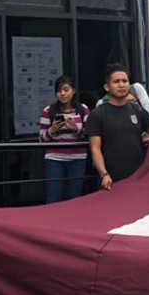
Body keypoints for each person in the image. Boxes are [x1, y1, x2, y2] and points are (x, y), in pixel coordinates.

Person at [86, 64, 149, 190]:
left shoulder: (137, 110)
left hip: (138, 177)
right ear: (107, 87)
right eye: (116, 81)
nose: (122, 85)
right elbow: (95, 148)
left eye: (125, 81)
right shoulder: (97, 114)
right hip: (111, 180)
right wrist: (104, 174)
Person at [38, 75, 90, 204]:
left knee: (75, 198)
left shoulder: (83, 110)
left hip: (77, 159)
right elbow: (41, 139)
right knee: (53, 198)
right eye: (59, 90)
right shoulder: (48, 111)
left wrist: (76, 129)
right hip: (54, 159)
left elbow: (90, 136)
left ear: (73, 91)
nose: (62, 94)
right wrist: (52, 130)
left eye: (66, 89)